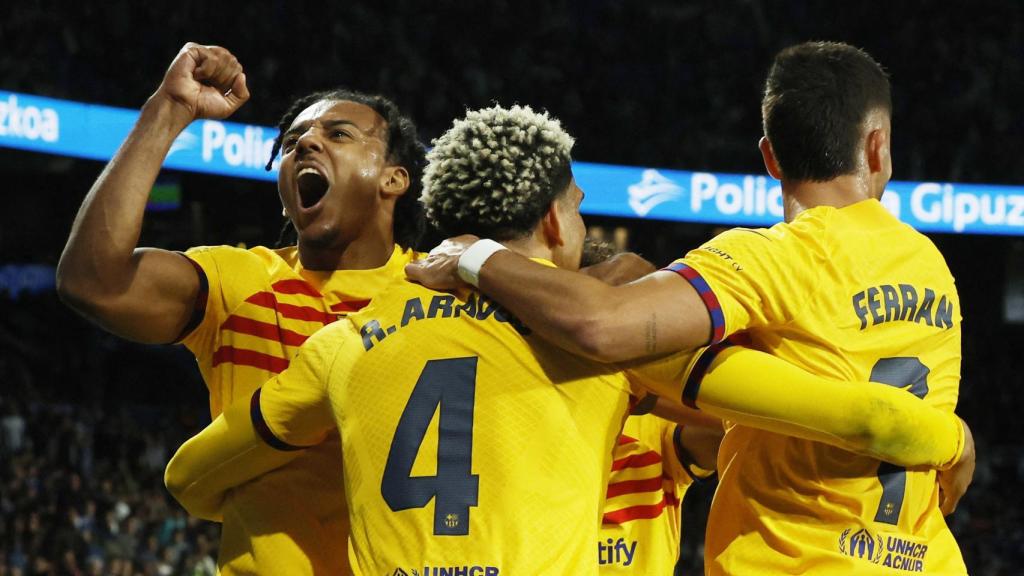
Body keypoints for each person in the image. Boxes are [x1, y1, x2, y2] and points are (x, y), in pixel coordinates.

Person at [166, 103, 969, 574]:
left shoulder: (346, 345)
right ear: (555, 220)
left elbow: (190, 478)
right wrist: (952, 435)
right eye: (580, 205)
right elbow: (870, 420)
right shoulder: (614, 356)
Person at [406, 42, 973, 574]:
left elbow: (603, 327)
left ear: (770, 158)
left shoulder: (769, 258)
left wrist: (474, 258)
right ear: (878, 146)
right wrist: (951, 438)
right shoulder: (931, 267)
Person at [56, 42, 427, 575]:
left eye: (337, 134)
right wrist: (169, 108)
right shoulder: (240, 283)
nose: (306, 145)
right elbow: (91, 282)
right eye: (294, 142)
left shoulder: (442, 293)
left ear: (394, 179)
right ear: (283, 197)